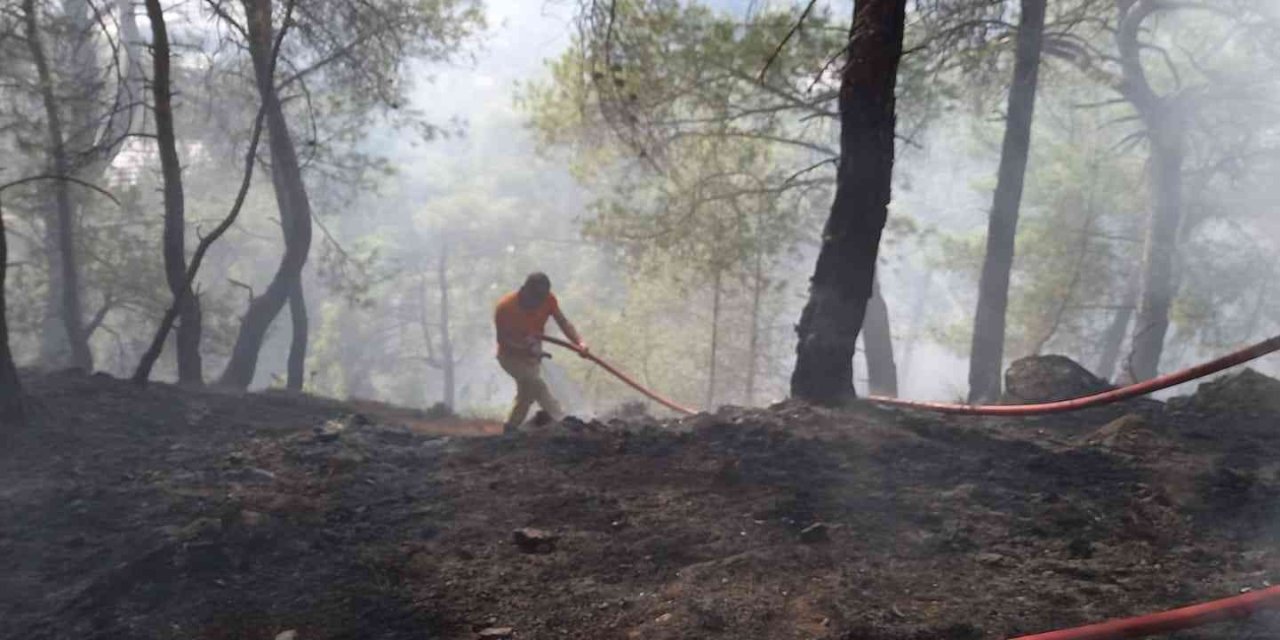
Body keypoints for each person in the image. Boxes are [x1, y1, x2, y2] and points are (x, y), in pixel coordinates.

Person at [494, 272, 588, 434]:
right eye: (534, 298)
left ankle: (510, 428)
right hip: (510, 356)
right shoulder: (505, 308)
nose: (537, 304)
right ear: (524, 290)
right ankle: (562, 419)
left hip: (532, 355)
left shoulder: (548, 300)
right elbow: (503, 341)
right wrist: (525, 350)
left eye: (540, 299)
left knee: (527, 393)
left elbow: (564, 323)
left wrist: (580, 343)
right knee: (535, 383)